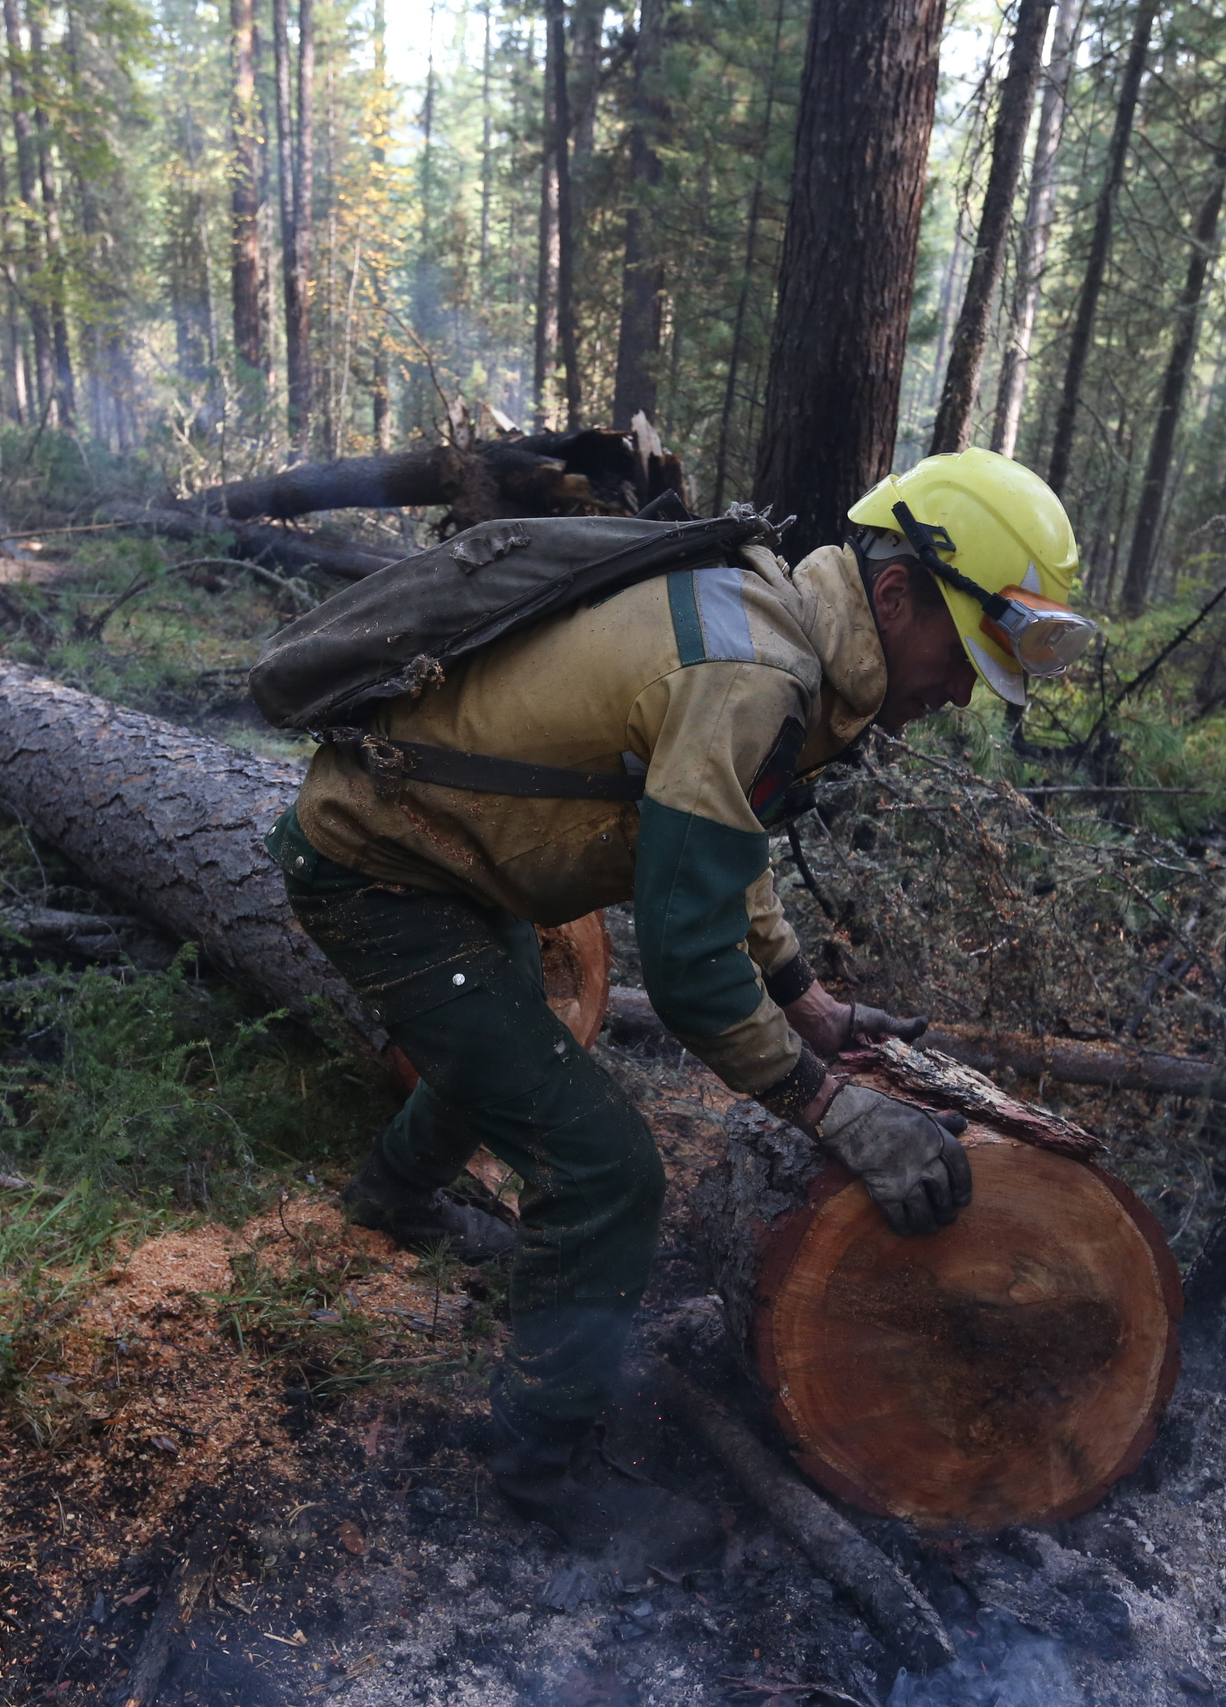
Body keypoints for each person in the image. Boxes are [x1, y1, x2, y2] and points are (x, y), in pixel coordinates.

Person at [264, 448, 1092, 1564]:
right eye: (962, 655)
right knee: (604, 1168)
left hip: (453, 862)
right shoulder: (753, 673)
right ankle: (538, 1472)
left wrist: (805, 1002)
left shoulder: (771, 636)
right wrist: (837, 1111)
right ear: (896, 597)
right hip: (385, 870)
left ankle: (389, 1203)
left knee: (509, 1046)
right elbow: (694, 969)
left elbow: (718, 847)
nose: (957, 694)